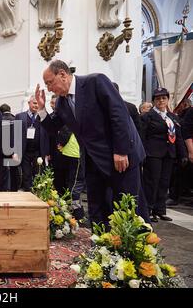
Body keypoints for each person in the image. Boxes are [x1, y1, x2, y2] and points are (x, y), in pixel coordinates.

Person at [35, 60, 149, 226]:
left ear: (62, 74)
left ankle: (136, 248)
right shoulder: (61, 102)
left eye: (50, 83)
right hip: (92, 160)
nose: (49, 88)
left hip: (119, 156)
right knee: (97, 207)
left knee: (129, 206)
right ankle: (101, 246)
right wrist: (41, 109)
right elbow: (53, 128)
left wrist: (121, 150)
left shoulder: (95, 82)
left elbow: (119, 115)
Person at [141, 87, 187, 222]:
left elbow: (178, 137)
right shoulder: (148, 117)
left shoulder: (172, 117)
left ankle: (160, 210)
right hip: (153, 154)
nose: (161, 101)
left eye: (163, 98)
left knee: (164, 182)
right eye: (158, 98)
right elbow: (142, 136)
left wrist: (183, 154)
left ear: (168, 99)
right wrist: (142, 154)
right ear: (154, 101)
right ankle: (148, 210)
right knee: (152, 182)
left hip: (169, 154)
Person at [15, 95, 50, 191]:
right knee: (26, 174)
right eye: (34, 103)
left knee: (38, 174)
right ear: (28, 103)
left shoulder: (43, 116)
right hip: (24, 151)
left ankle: (37, 194)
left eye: (38, 103)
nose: (36, 105)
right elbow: (15, 135)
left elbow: (47, 135)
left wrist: (47, 152)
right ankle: (28, 193)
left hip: (38, 151)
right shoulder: (19, 116)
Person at [0, 103, 20, 191]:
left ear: (1, 111)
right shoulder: (15, 119)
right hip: (14, 150)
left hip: (2, 150)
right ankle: (14, 189)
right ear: (10, 110)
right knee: (14, 171)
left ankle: (4, 189)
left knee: (3, 171)